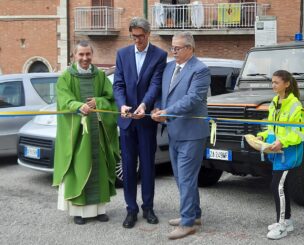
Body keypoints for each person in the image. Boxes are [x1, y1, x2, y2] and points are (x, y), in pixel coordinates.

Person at [53, 40, 119, 225]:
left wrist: (98, 101)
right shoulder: (66, 77)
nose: (84, 58)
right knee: (79, 168)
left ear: (92, 55)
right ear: (74, 55)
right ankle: (79, 211)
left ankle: (99, 209)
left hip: (97, 133)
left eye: (88, 54)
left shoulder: (99, 75)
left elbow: (111, 97)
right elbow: (64, 100)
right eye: (81, 54)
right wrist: (78, 106)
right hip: (78, 135)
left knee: (99, 167)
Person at [151, 32, 211, 240]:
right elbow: (163, 95)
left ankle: (187, 223)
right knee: (180, 177)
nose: (173, 51)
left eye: (177, 48)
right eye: (172, 47)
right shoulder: (169, 68)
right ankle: (194, 215)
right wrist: (158, 109)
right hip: (174, 131)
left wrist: (166, 113)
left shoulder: (200, 70)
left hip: (193, 134)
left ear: (189, 49)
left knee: (185, 177)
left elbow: (193, 99)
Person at [113, 17, 167, 229]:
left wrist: (144, 105)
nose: (137, 40)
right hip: (126, 122)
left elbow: (155, 85)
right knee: (128, 167)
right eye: (134, 36)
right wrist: (122, 105)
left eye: (141, 36)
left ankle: (148, 207)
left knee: (146, 166)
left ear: (148, 34)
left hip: (145, 122)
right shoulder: (122, 54)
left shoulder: (159, 55)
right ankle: (131, 210)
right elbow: (118, 84)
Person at [256, 70, 304, 240]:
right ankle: (287, 221)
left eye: (276, 82)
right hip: (277, 153)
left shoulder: (295, 105)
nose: (273, 85)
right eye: (272, 82)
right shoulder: (275, 102)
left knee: (277, 187)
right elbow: (272, 126)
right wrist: (262, 135)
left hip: (288, 154)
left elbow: (299, 133)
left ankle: (282, 225)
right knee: (279, 187)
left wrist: (282, 142)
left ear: (286, 84)